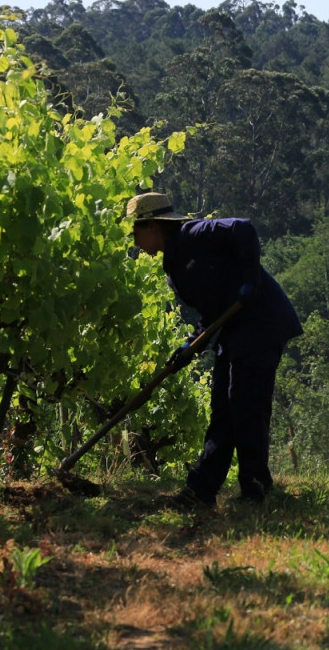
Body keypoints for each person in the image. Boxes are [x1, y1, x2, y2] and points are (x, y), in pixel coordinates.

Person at [126, 191, 303, 510]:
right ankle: (202, 490)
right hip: (234, 328)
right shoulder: (175, 268)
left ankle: (255, 488)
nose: (135, 240)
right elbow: (210, 314)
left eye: (135, 231)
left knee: (245, 404)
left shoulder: (193, 234)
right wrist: (189, 347)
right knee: (223, 408)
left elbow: (244, 228)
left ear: (151, 225)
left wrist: (250, 280)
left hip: (261, 320)